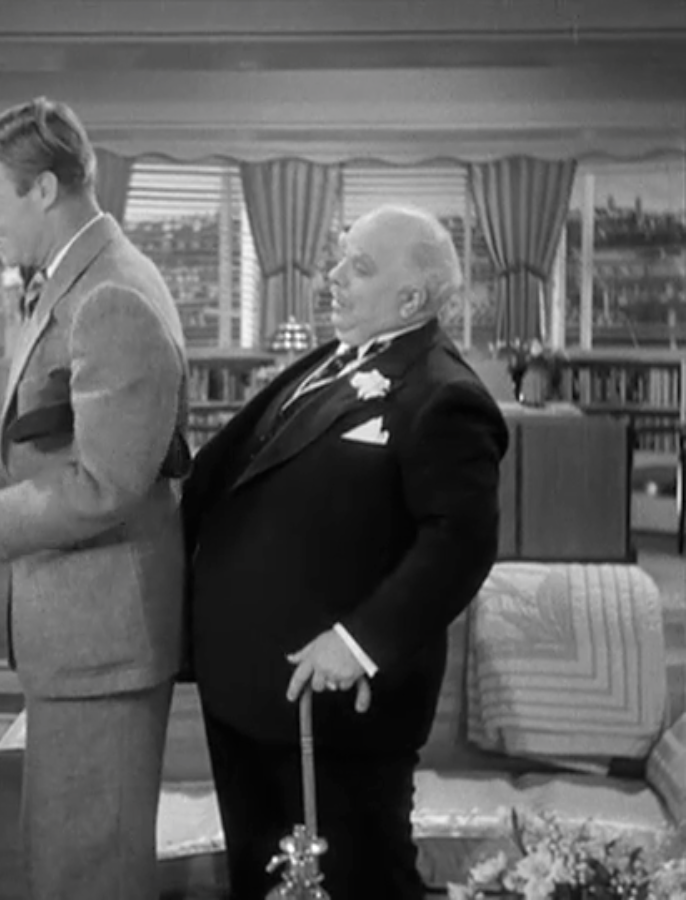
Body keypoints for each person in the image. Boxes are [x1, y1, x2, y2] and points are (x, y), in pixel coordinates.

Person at [181, 205, 509, 900]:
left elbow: (461, 541)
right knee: (263, 882)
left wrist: (359, 643)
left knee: (358, 882)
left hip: (332, 710)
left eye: (358, 266)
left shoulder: (445, 395)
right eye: (339, 257)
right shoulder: (333, 359)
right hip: (248, 694)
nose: (332, 276)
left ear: (411, 300)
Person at [0, 97, 190, 900]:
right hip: (80, 638)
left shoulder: (111, 294)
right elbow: (69, 441)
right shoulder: (74, 279)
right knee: (63, 863)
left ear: (44, 189)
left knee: (88, 874)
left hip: (103, 637)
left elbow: (106, 483)